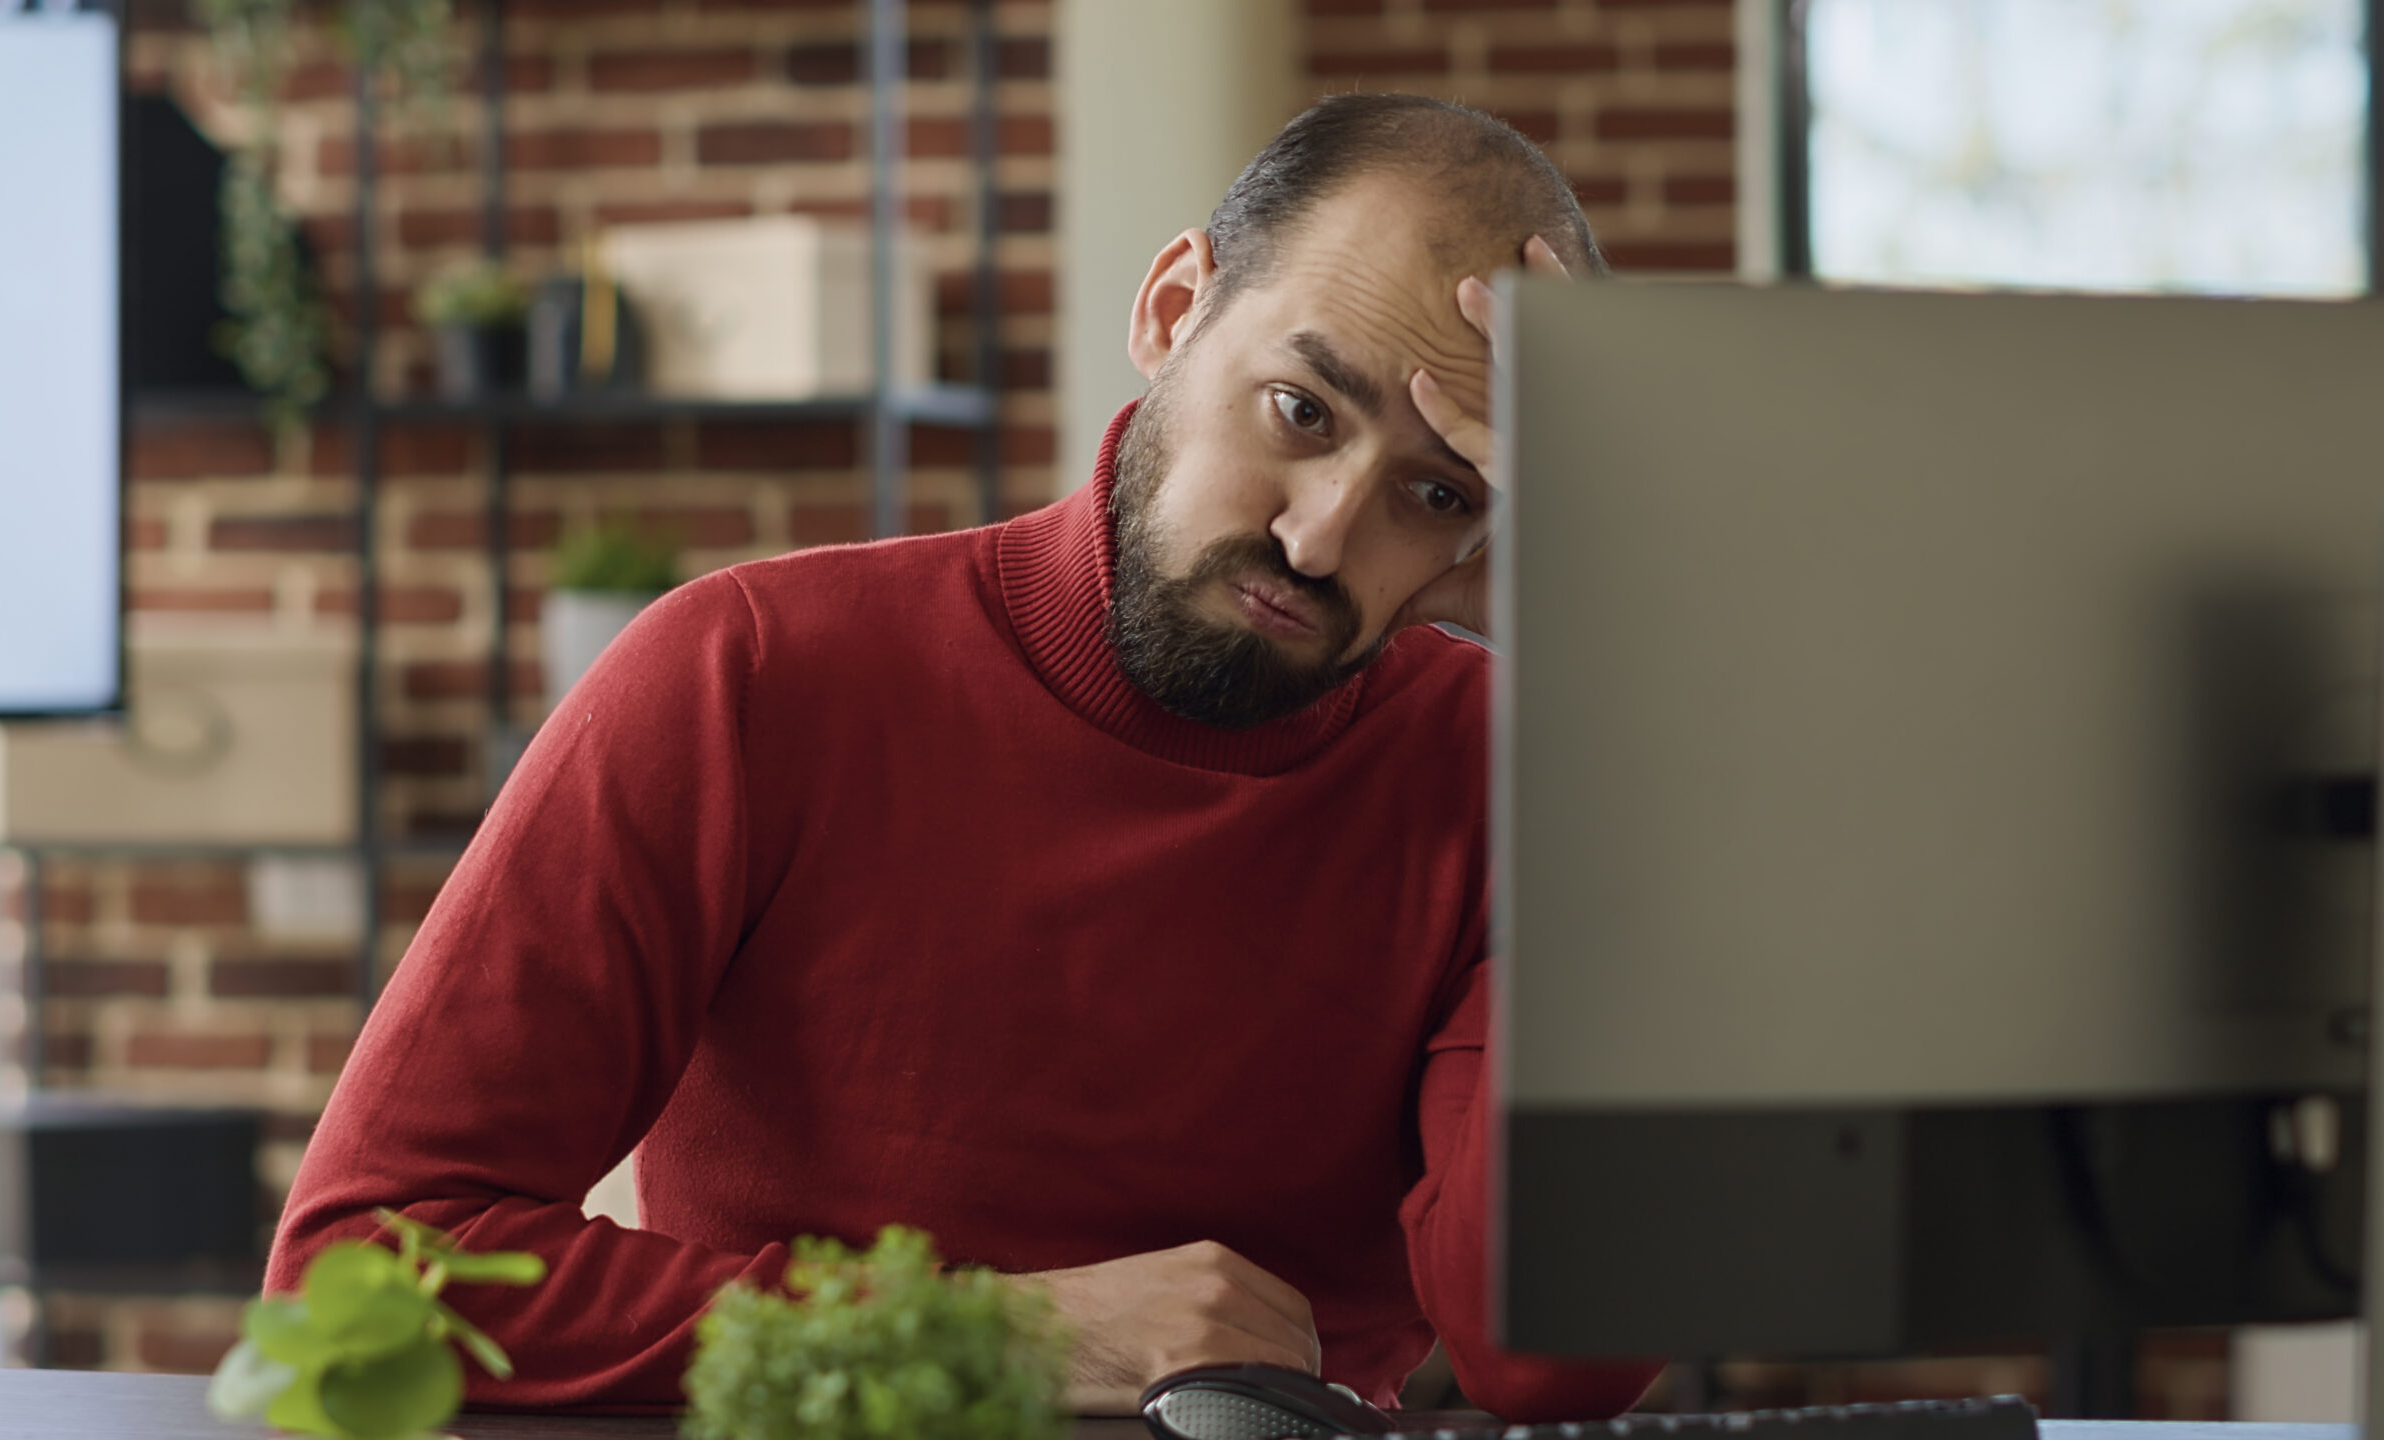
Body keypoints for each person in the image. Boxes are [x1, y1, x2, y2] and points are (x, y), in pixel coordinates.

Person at [270, 93, 1659, 1421]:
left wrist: (1614, 710)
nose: (1320, 537)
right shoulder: (748, 669)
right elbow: (362, 1268)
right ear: (1175, 309)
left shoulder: (1515, 772)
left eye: (1435, 493)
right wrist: (999, 1328)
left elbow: (1550, 1367)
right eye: (1303, 410)